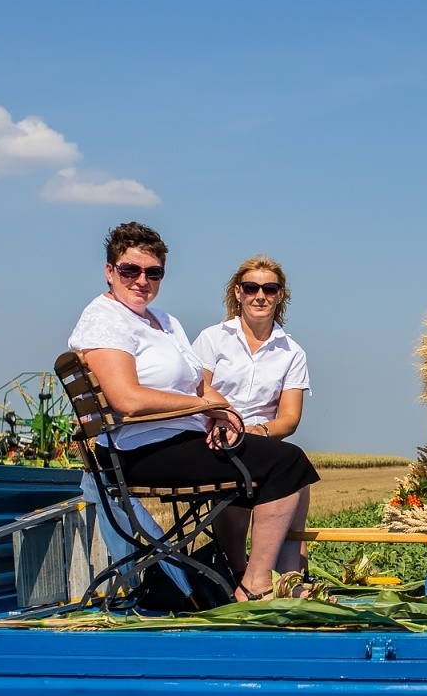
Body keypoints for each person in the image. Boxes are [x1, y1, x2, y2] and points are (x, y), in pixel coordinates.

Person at [68, 223, 318, 602]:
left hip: (176, 436)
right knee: (287, 463)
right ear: (109, 272)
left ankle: (269, 576)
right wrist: (206, 407)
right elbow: (127, 400)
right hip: (139, 448)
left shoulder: (164, 321)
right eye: (130, 271)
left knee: (278, 461)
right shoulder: (106, 319)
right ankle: (253, 584)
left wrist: (222, 415)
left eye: (153, 272)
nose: (142, 280)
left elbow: (199, 385)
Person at [193, 255, 312, 579]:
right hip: (213, 432)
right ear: (237, 292)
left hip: (260, 435)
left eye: (269, 289)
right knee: (285, 466)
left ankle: (288, 573)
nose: (260, 296)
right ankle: (247, 572)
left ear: (281, 295)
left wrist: (256, 431)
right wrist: (224, 421)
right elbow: (196, 389)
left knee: (291, 464)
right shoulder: (212, 339)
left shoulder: (292, 352)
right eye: (251, 287)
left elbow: (289, 418)